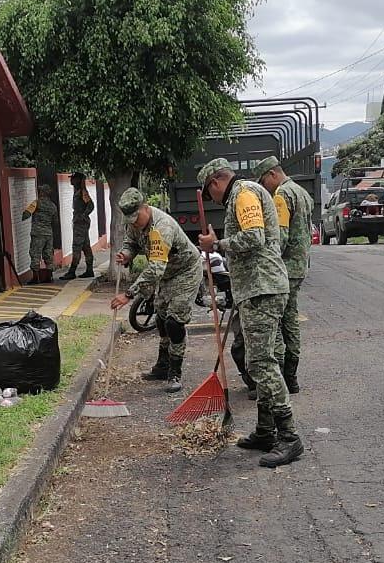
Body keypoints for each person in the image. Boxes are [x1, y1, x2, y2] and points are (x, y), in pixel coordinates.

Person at [197, 158, 303, 468]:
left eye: (209, 192)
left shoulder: (242, 193)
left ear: (216, 182)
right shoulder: (244, 193)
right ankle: (265, 431)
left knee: (261, 362)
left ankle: (289, 437)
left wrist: (217, 243)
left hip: (263, 288)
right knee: (261, 358)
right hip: (258, 288)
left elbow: (254, 237)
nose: (211, 199)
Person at [109, 188, 201, 392]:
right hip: (167, 273)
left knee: (174, 322)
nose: (134, 222)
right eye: (130, 219)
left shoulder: (162, 227)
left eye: (136, 217)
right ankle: (162, 365)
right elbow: (131, 242)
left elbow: (155, 269)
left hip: (185, 271)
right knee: (160, 318)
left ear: (145, 207)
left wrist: (129, 294)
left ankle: (175, 372)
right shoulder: (134, 223)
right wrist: (126, 254)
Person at [253, 156, 314, 394]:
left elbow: (281, 237)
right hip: (299, 266)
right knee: (290, 320)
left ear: (272, 175)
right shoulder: (302, 192)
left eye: (263, 182)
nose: (263, 188)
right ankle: (292, 377)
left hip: (284, 269)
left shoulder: (281, 195)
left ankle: (279, 379)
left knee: (277, 322)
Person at [22, 185, 59, 283]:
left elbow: (26, 214)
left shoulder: (36, 203)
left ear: (42, 192)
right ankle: (49, 277)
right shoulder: (53, 206)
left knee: (35, 254)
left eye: (40, 191)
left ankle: (35, 278)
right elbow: (55, 222)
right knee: (48, 254)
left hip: (38, 233)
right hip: (48, 233)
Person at [60, 173, 95, 280]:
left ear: (78, 180)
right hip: (80, 223)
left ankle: (72, 271)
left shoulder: (82, 192)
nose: (71, 181)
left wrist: (83, 215)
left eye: (73, 179)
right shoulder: (78, 192)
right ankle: (89, 270)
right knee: (85, 246)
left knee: (76, 246)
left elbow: (91, 205)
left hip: (81, 224)